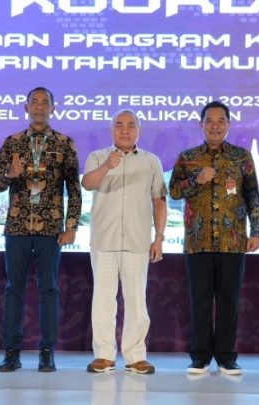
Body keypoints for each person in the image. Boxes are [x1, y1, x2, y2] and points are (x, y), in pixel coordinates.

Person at [168, 101, 259, 375]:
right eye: (210, 121)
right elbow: (173, 191)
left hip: (232, 241)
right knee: (199, 301)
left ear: (228, 125)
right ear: (201, 125)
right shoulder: (188, 157)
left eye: (221, 121)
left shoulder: (241, 157)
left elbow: (253, 195)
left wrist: (256, 231)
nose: (215, 126)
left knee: (228, 301)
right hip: (198, 241)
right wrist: (195, 180)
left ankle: (226, 357)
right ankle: (200, 357)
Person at [0, 87, 82, 372]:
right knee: (13, 290)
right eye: (35, 102)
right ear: (26, 107)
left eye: (45, 102)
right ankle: (11, 352)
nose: (39, 106)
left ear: (53, 108)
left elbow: (74, 189)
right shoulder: (12, 142)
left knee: (49, 290)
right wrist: (11, 173)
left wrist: (71, 226)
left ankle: (47, 351)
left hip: (50, 228)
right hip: (17, 226)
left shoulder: (64, 143)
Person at [81, 109, 167, 375]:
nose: (125, 130)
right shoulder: (98, 157)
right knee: (103, 300)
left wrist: (159, 238)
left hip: (137, 240)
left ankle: (135, 356)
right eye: (119, 125)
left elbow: (159, 201)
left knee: (137, 300)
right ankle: (104, 355)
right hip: (104, 239)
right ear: (112, 130)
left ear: (139, 131)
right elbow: (87, 183)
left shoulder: (151, 161)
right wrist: (108, 165)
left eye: (131, 125)